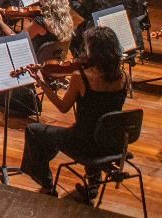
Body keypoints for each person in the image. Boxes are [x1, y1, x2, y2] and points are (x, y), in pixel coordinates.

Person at [20, 26, 128, 200]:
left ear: (93, 51)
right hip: (110, 142)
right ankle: (93, 181)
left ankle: (46, 184)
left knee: (34, 131)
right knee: (92, 129)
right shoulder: (124, 77)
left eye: (87, 47)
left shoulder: (81, 77)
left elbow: (63, 107)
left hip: (83, 143)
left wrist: (40, 82)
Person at [0, 0, 75, 113]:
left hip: (32, 64)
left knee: (0, 55)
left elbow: (15, 38)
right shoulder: (66, 20)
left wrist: (0, 21)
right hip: (52, 63)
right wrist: (5, 11)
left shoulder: (41, 23)